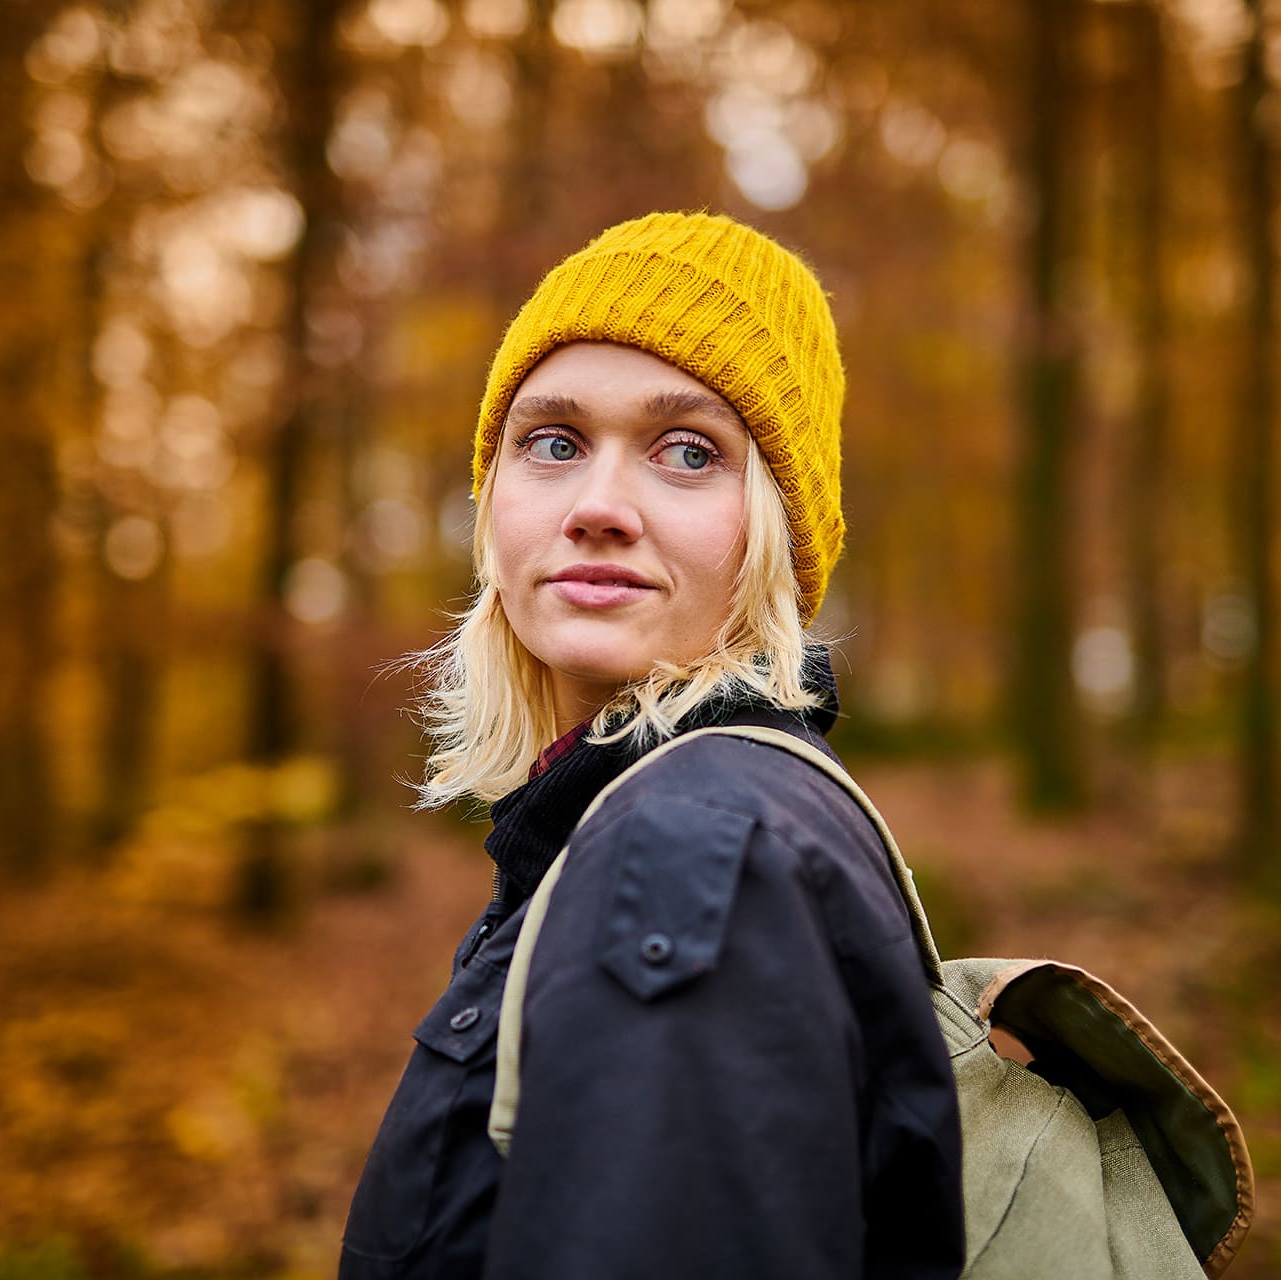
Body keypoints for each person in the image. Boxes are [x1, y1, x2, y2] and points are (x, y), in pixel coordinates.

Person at [338, 211, 964, 1279]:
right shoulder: (678, 812)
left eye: (688, 452)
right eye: (554, 441)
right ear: (494, 503)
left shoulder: (693, 844)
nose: (599, 506)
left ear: (775, 529)